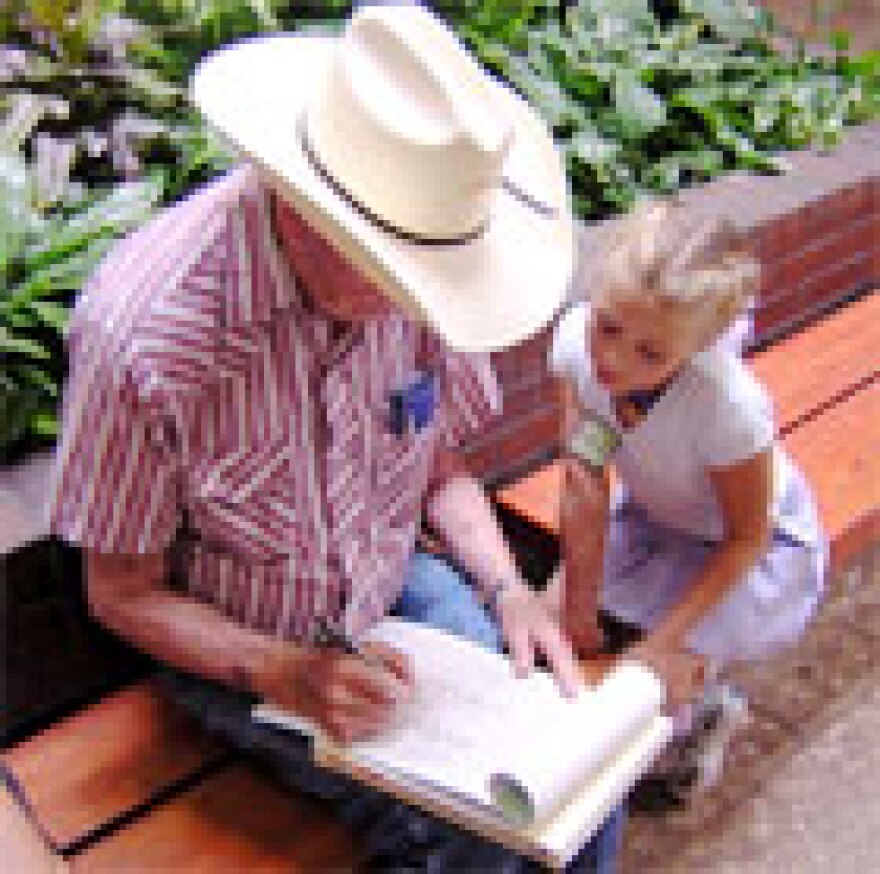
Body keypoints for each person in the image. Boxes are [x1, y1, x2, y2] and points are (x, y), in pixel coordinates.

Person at [48, 5, 623, 871]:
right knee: (467, 842)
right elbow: (121, 593)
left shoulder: (422, 273)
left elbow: (438, 463)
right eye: (391, 271)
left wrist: (506, 586)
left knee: (579, 789)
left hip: (395, 584)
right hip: (241, 645)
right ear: (301, 201)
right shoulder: (147, 337)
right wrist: (281, 670)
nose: (413, 302)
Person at [546, 200, 826, 800]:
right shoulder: (576, 346)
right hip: (656, 515)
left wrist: (662, 642)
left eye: (651, 352)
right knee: (559, 627)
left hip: (752, 549)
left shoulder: (727, 408)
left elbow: (747, 536)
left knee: (652, 680)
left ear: (697, 347)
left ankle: (702, 717)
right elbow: (585, 474)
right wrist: (577, 605)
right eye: (609, 325)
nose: (613, 359)